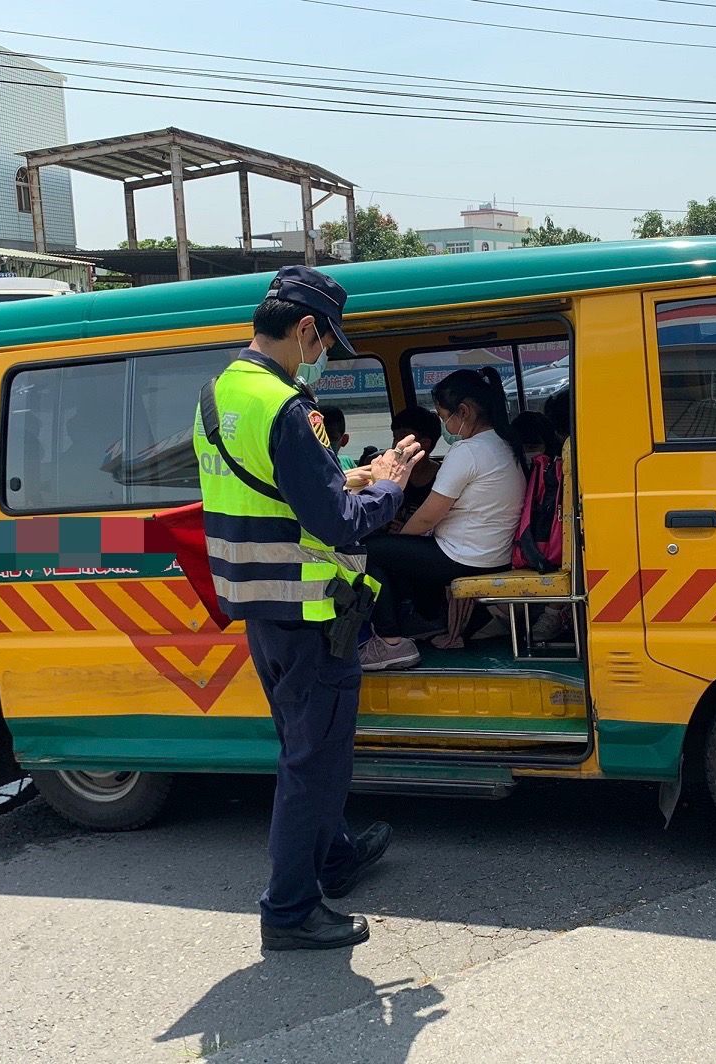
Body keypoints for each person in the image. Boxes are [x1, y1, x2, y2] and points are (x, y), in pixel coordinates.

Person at [195, 264, 425, 952]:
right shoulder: (289, 408)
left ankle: (335, 856)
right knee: (315, 763)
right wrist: (388, 485)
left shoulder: (219, 393)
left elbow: (271, 490)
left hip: (259, 608)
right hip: (312, 615)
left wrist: (346, 474)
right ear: (303, 330)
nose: (324, 356)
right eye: (326, 344)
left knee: (304, 749)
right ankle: (290, 909)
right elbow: (339, 524)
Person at [359, 368, 528, 668]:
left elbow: (426, 518)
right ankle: (424, 621)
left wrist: (396, 540)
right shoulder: (505, 444)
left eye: (443, 416)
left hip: (462, 557)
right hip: (493, 554)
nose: (445, 425)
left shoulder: (468, 451)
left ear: (463, 411)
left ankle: (390, 642)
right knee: (398, 551)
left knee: (367, 550)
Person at [388, 404, 442, 528]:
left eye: (402, 438)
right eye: (395, 438)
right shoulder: (388, 475)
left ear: (425, 443)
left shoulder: (443, 478)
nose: (396, 444)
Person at [320, 405, 357, 471]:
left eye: (331, 438)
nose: (323, 443)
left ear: (344, 440)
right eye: (318, 438)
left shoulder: (347, 462)